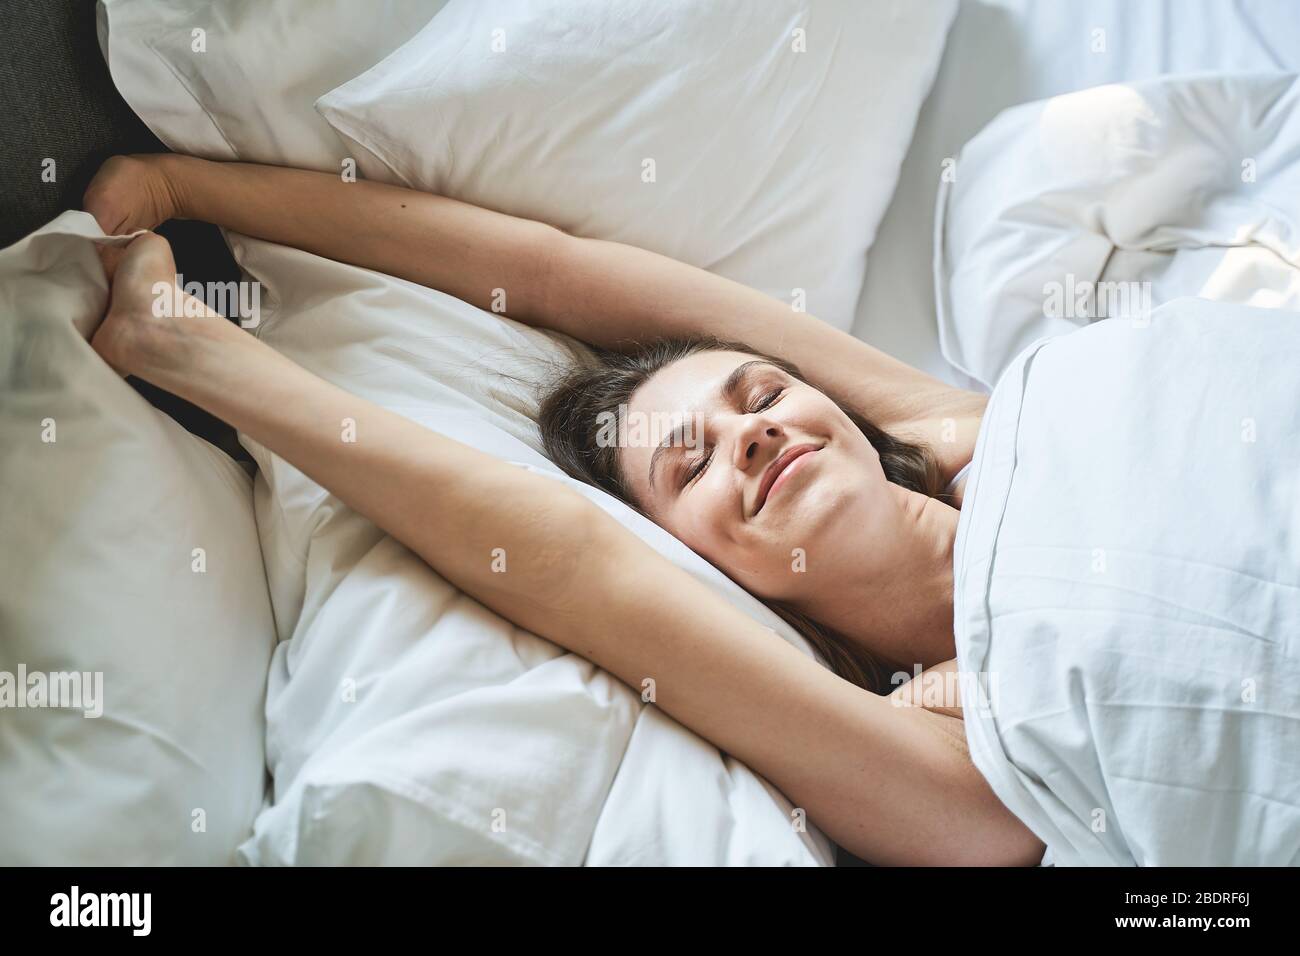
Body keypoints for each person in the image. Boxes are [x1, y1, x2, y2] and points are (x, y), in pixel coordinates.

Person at [83, 155, 1045, 865]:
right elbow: (579, 569)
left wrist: (185, 187)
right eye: (691, 465)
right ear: (706, 568)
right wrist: (192, 352)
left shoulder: (975, 429)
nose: (749, 435)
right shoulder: (963, 756)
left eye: (759, 397)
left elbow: (547, 271)